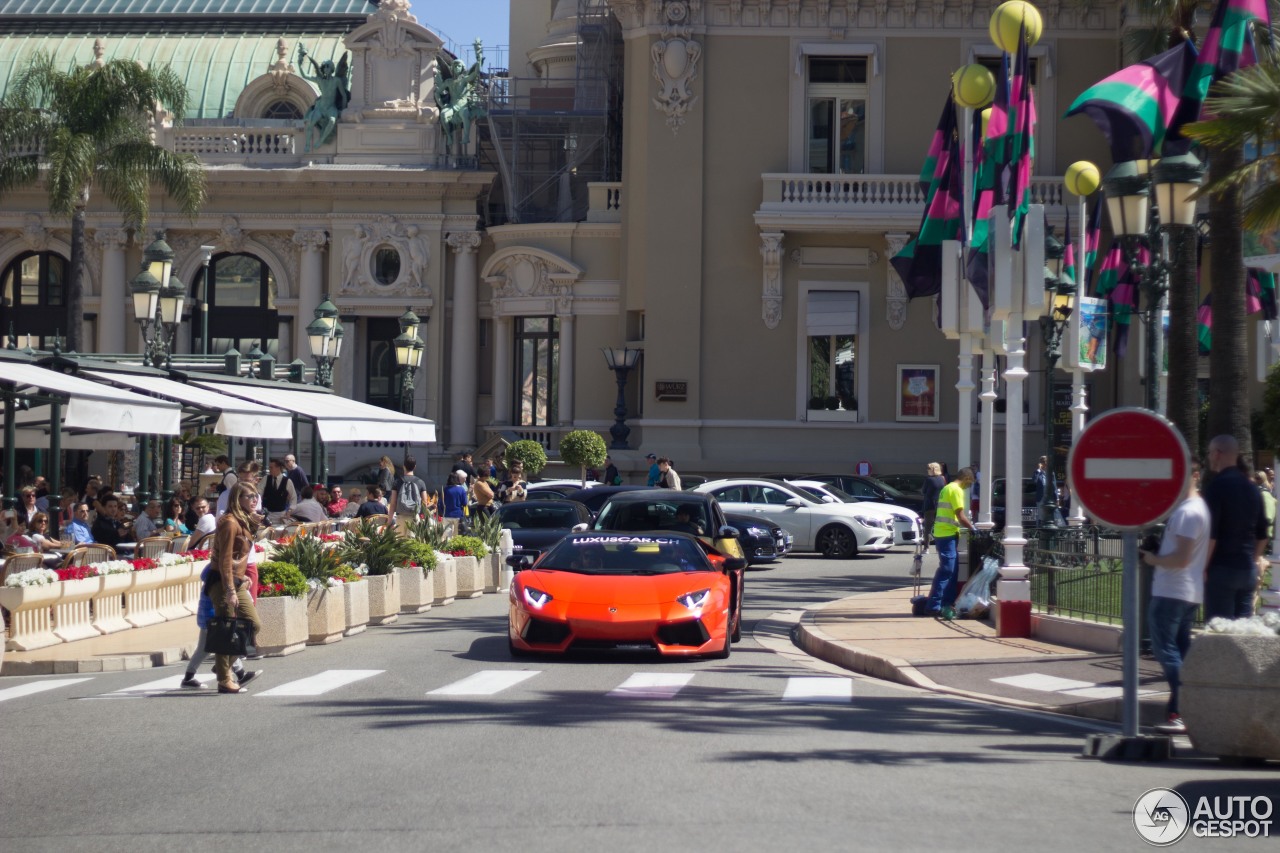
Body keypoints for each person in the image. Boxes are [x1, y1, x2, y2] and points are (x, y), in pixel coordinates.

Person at [1139, 461, 1210, 735]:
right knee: (1180, 652)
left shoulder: (1189, 512)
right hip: (1187, 592)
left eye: (1183, 474)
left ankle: (1182, 709)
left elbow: (1181, 558)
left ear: (1194, 476)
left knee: (1166, 651)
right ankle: (1179, 712)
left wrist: (1153, 558)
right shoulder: (1195, 509)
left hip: (1172, 592)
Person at [1202, 435, 1269, 620]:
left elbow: (1211, 535)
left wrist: (1202, 568)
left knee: (1219, 634)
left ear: (1216, 454)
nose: (1208, 457)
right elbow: (1263, 533)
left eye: (1209, 453)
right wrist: (1254, 559)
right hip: (1246, 570)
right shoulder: (1253, 488)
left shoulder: (1215, 487)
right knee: (1242, 636)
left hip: (1221, 570)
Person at [208, 482, 263, 694]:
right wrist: (230, 589)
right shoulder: (230, 522)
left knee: (252, 624)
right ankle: (224, 680)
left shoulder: (244, 521)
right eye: (249, 496)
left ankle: (224, 666)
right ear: (237, 499)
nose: (254, 499)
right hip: (223, 580)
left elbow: (243, 553)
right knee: (226, 628)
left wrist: (254, 526)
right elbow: (225, 559)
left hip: (236, 579)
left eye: (256, 496)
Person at [180, 562, 259, 690]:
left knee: (204, 650)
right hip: (212, 620)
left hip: (206, 619)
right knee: (227, 645)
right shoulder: (218, 585)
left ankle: (188, 677)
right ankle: (240, 674)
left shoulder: (210, 581)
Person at [926, 467, 977, 619]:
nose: (969, 486)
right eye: (970, 483)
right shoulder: (956, 490)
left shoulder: (947, 487)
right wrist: (973, 528)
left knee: (952, 571)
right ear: (967, 478)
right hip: (946, 534)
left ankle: (946, 603)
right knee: (947, 570)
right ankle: (934, 606)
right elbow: (960, 516)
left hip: (944, 533)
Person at [259, 458, 297, 524]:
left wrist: (290, 510)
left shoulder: (287, 481)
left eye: (271, 468)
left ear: (278, 468)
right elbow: (259, 493)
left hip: (281, 515)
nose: (269, 470)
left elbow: (293, 497)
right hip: (267, 514)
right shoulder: (265, 479)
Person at [919, 462, 946, 550]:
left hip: (929, 505)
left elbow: (923, 491)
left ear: (933, 469)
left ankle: (926, 548)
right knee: (939, 526)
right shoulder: (942, 479)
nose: (927, 470)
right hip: (940, 505)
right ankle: (940, 546)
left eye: (928, 468)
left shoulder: (929, 479)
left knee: (928, 528)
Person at [1254, 471, 1275, 548]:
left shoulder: (1264, 491)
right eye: (1255, 478)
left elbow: (1268, 516)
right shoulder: (1257, 489)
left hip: (1264, 530)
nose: (1256, 480)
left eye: (1258, 478)